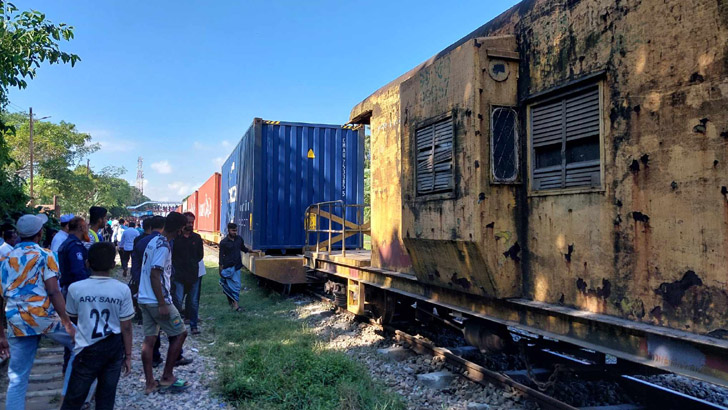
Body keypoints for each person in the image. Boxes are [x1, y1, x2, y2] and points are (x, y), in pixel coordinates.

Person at [0, 213, 76, 409]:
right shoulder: (46, 255)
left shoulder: (5, 259)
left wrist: (1, 333)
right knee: (82, 343)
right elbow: (53, 290)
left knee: (17, 377)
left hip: (16, 320)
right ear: (40, 233)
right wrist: (67, 323)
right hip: (44, 317)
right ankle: (67, 397)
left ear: (18, 234)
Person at [61, 242, 134, 410]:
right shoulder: (122, 290)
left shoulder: (75, 288)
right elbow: (127, 327)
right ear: (113, 265)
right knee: (106, 397)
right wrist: (128, 355)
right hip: (113, 347)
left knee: (74, 398)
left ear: (87, 263)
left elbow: (73, 316)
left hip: (86, 348)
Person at [137, 212, 191, 394]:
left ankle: (150, 382)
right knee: (181, 333)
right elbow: (155, 273)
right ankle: (167, 376)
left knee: (149, 339)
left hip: (144, 298)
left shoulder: (154, 241)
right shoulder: (164, 246)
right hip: (157, 300)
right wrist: (162, 303)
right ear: (179, 228)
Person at [57, 216, 91, 373]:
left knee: (74, 328)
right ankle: (75, 366)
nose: (87, 229)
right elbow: (78, 272)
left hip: (69, 289)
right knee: (79, 328)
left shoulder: (67, 243)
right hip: (75, 292)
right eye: (85, 227)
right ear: (80, 228)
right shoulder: (74, 246)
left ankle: (70, 365)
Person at [171, 212, 203, 335]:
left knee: (193, 301)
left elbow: (200, 255)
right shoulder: (176, 238)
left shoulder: (197, 238)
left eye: (192, 222)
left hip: (194, 274)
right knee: (178, 300)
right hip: (179, 274)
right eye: (188, 222)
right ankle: (177, 325)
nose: (190, 225)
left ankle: (193, 325)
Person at [218, 222, 249, 312]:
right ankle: (234, 305)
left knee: (236, 286)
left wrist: (250, 251)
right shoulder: (223, 242)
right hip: (228, 267)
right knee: (229, 286)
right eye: (233, 230)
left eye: (236, 230)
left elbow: (242, 248)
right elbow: (221, 255)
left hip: (237, 267)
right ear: (228, 230)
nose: (234, 232)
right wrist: (220, 266)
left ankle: (235, 305)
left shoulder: (239, 239)